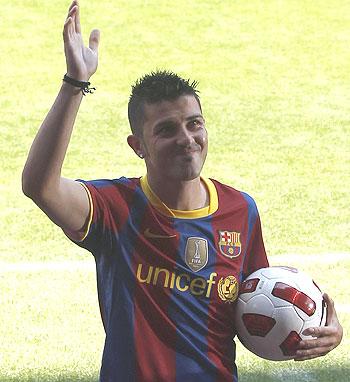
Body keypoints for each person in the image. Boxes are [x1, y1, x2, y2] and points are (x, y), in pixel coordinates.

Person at [22, 1, 343, 381]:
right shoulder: (116, 209)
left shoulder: (241, 210)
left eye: (195, 124)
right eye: (166, 130)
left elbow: (259, 308)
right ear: (137, 145)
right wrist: (76, 84)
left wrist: (319, 329)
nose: (186, 139)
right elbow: (39, 186)